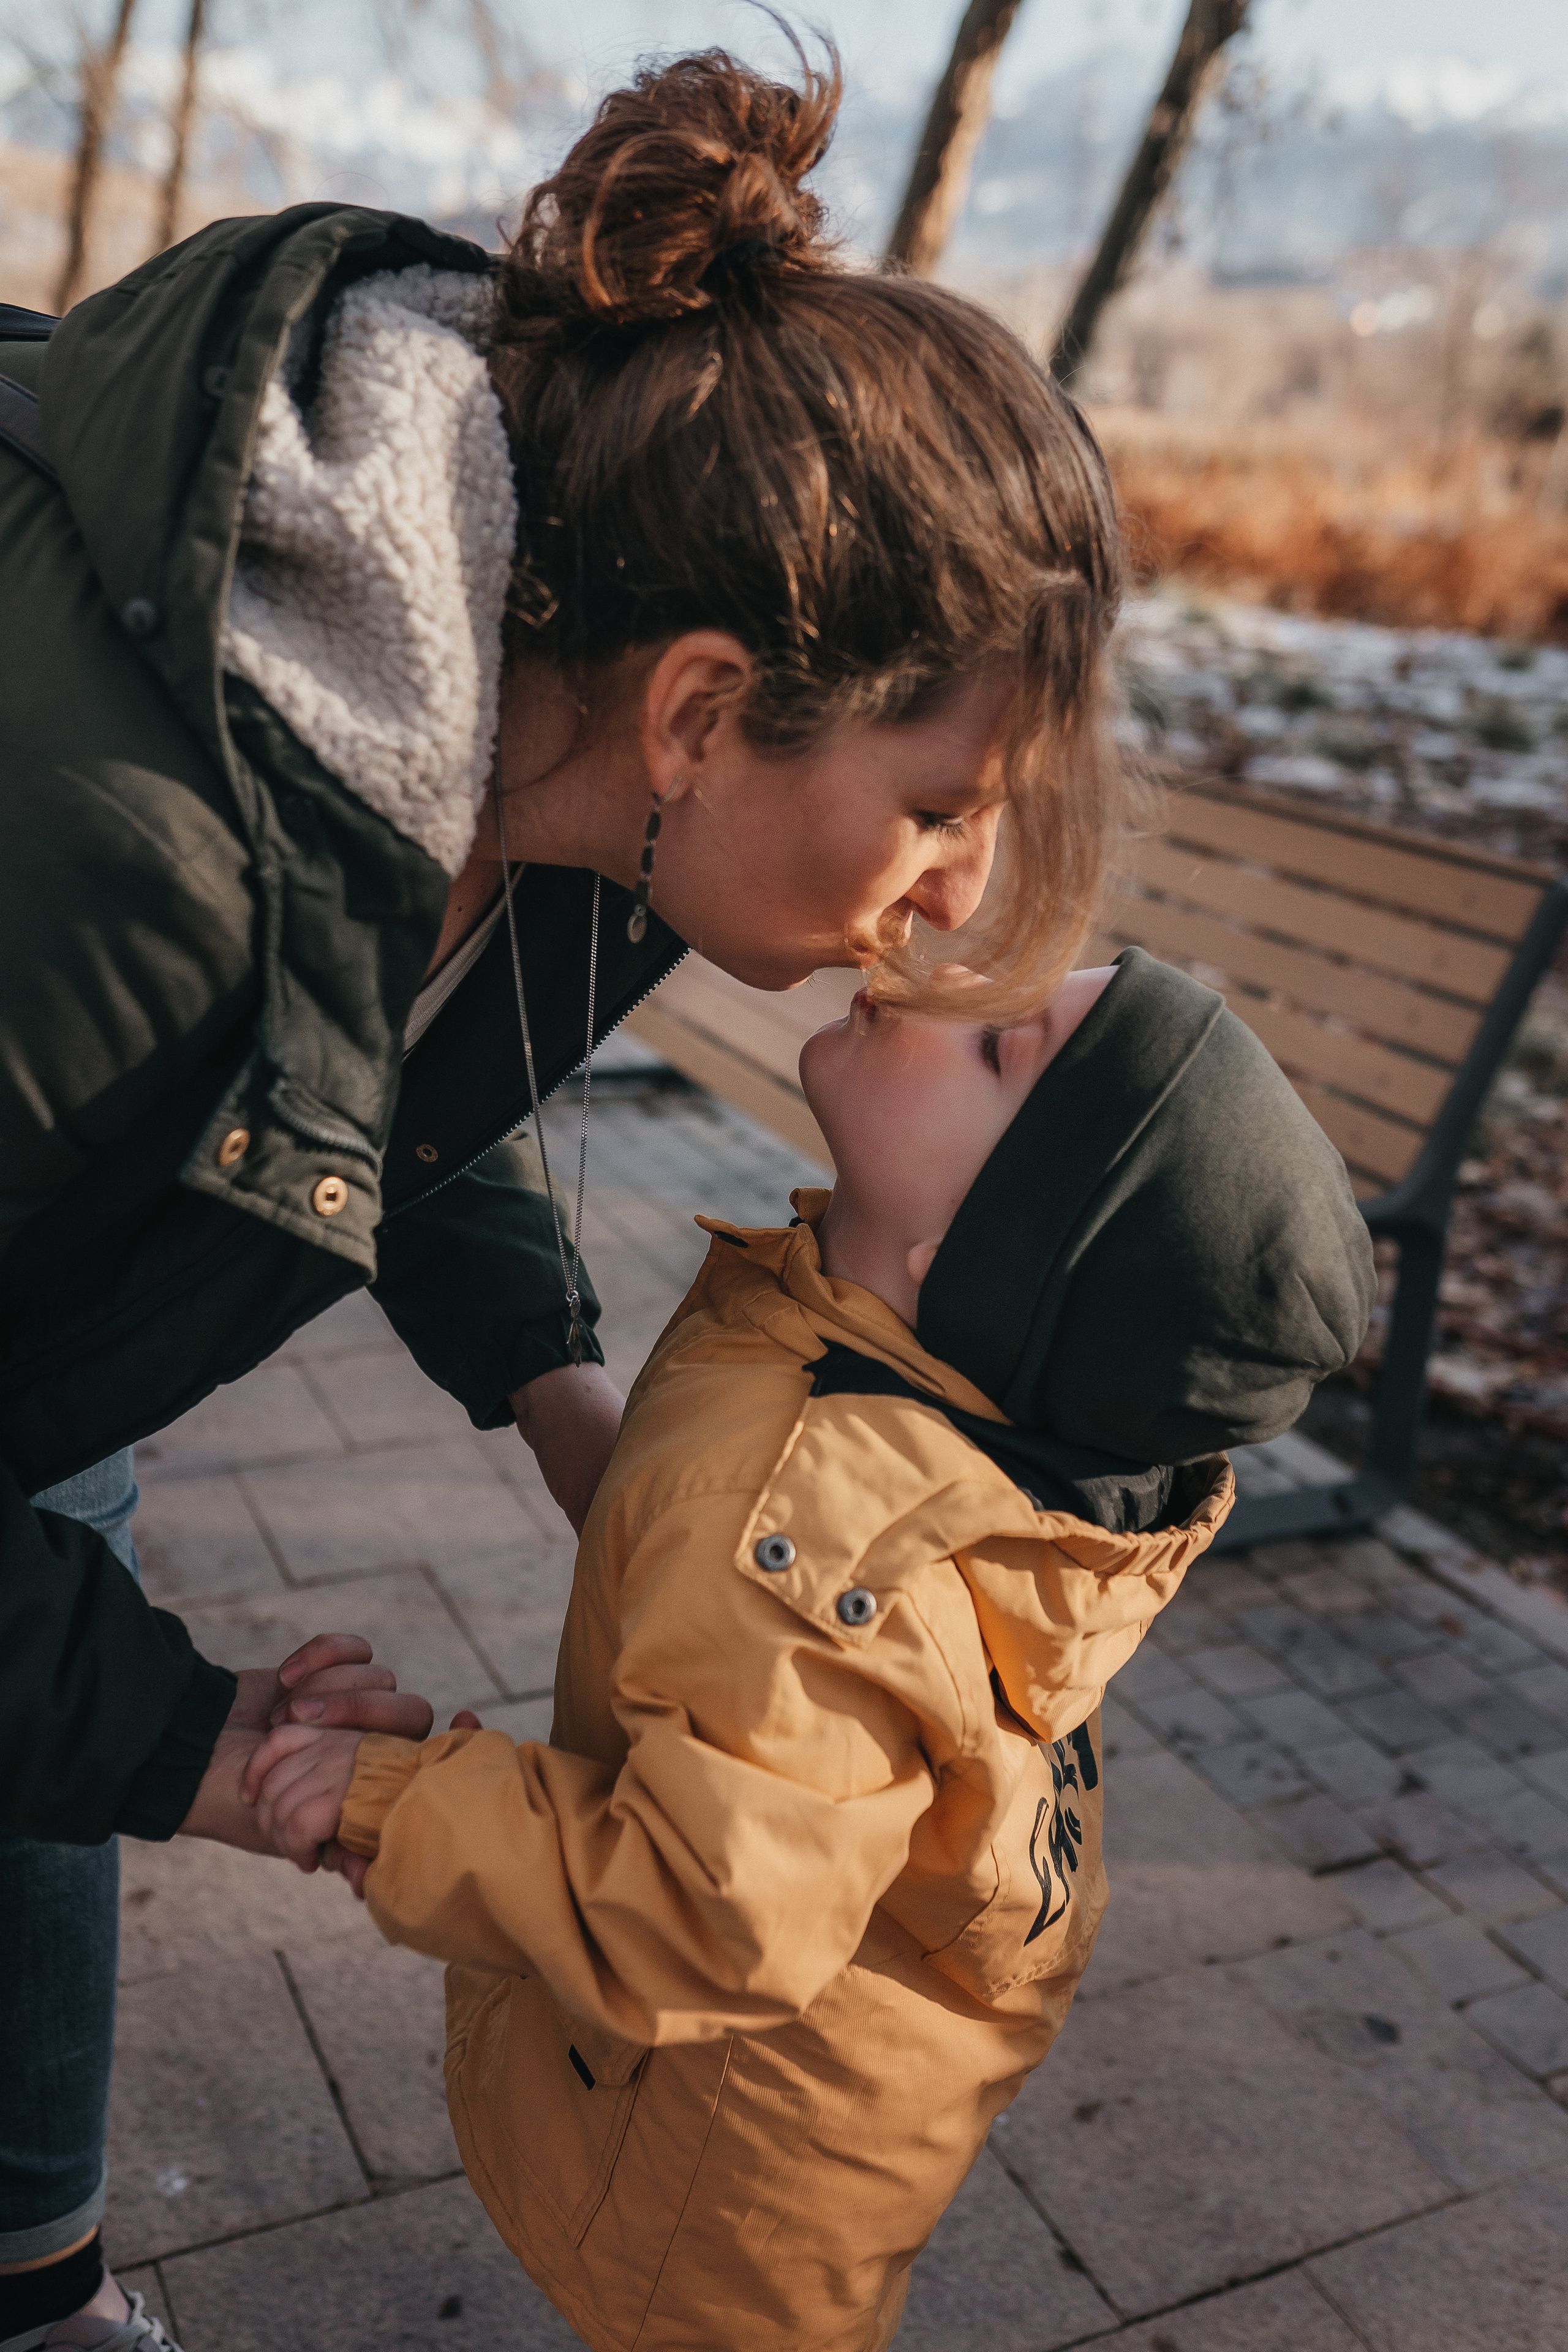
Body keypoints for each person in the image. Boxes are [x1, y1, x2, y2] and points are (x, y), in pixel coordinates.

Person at [2, 34, 1131, 2343]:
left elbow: (405, 1046)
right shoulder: (123, 865)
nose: (954, 898)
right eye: (939, 804)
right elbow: (292, 958)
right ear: (711, 713)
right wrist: (199, 1748)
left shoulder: (570, 706)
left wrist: (568, 1407)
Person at [241, 944, 1375, 2352]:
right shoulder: (873, 1339)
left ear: (971, 1256)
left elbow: (703, 1916)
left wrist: (400, 1800)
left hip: (734, 2185)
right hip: (810, 2088)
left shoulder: (822, 1543)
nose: (944, 976)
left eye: (996, 1048)